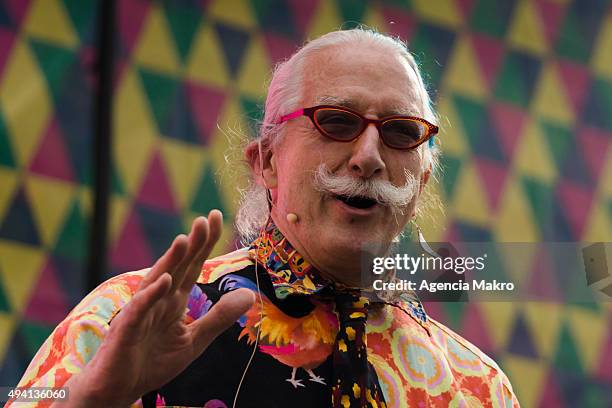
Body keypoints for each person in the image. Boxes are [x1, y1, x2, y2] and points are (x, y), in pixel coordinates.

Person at [10, 28, 519, 407]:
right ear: (267, 162)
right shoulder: (125, 315)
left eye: (402, 132)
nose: (369, 156)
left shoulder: (476, 384)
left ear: (422, 181)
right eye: (336, 122)